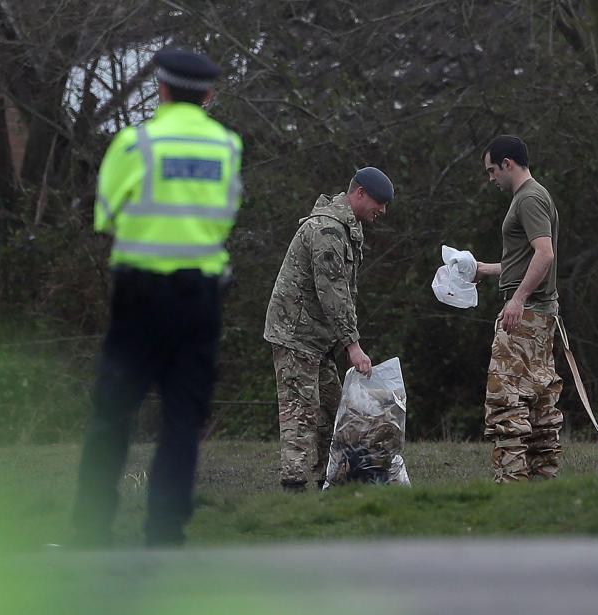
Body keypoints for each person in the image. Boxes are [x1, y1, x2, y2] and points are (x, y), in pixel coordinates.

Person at [71, 47, 243, 546]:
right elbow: (227, 214)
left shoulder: (134, 144)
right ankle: (166, 533)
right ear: (208, 95)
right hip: (201, 296)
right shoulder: (227, 147)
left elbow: (105, 213)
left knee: (112, 412)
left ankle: (90, 528)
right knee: (183, 415)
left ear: (161, 90)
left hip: (139, 295)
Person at [264, 167, 393, 492]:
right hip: (295, 337)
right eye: (379, 202)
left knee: (333, 410)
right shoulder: (327, 231)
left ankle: (330, 479)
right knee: (300, 411)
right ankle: (293, 488)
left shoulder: (343, 228)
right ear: (359, 193)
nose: (382, 211)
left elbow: (342, 295)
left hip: (316, 340)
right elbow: (332, 291)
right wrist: (353, 346)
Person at [475, 135, 563, 483]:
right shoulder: (535, 196)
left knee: (507, 402)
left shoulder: (528, 199)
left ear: (507, 164)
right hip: (538, 315)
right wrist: (487, 269)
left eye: (492, 170)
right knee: (541, 403)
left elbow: (545, 254)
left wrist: (517, 300)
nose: (491, 178)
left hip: (525, 319)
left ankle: (511, 484)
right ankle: (543, 482)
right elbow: (527, 259)